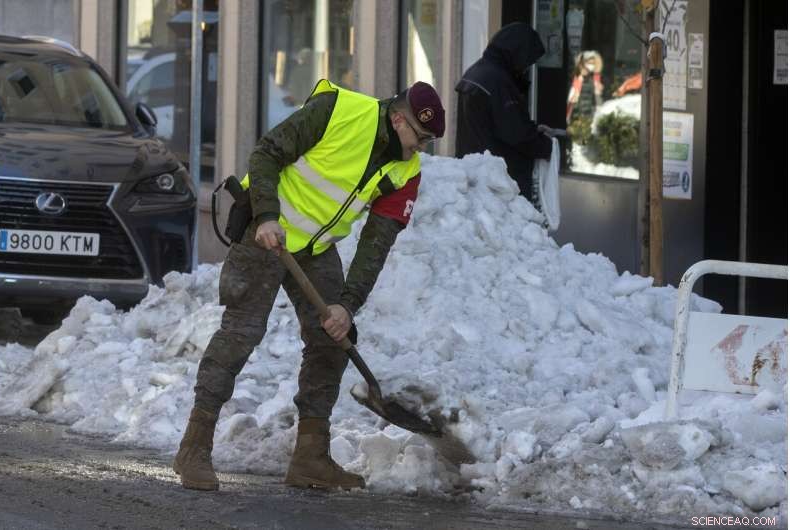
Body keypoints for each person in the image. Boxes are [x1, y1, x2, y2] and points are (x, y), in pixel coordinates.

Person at [173, 79, 445, 491]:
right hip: (266, 233)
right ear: (398, 119)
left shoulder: (406, 172)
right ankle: (194, 446)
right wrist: (266, 215)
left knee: (334, 338)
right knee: (241, 333)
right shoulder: (337, 110)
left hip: (315, 249)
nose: (420, 149)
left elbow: (376, 245)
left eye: (427, 142)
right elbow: (266, 153)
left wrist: (347, 305)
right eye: (420, 138)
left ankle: (310, 456)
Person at [455, 22, 554, 201]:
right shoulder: (498, 81)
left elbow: (499, 122)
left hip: (475, 173)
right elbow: (516, 133)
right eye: (527, 62)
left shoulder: (477, 72)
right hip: (500, 183)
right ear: (518, 54)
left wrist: (533, 131)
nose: (526, 68)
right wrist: (547, 146)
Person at [566, 50, 604, 122]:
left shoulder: (595, 79)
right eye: (589, 63)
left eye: (593, 63)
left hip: (589, 116)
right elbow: (571, 100)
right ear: (583, 63)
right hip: (576, 116)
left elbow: (597, 99)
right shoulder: (576, 79)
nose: (591, 66)